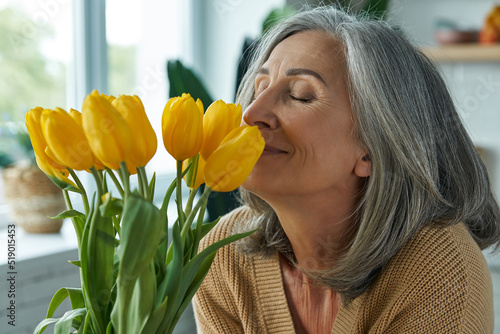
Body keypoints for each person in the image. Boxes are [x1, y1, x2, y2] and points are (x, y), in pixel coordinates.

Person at [193, 6, 500, 334]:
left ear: (371, 150)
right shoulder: (223, 252)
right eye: (259, 88)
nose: (252, 112)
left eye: (301, 95)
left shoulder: (439, 271)